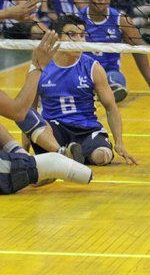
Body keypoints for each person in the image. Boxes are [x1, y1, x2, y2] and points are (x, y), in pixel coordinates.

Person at [25, 15, 135, 166]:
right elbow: (29, 112)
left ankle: (67, 155)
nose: (78, 40)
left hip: (85, 129)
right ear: (57, 38)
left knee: (102, 156)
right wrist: (24, 151)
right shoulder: (41, 67)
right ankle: (65, 152)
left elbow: (111, 108)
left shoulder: (93, 68)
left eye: (82, 35)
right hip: (54, 130)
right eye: (72, 35)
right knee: (40, 129)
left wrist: (119, 143)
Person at [0, 31, 93, 194]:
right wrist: (37, 66)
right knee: (83, 168)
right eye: (72, 34)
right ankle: (49, 159)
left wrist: (11, 13)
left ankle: (38, 155)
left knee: (29, 115)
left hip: (78, 127)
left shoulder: (91, 65)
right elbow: (18, 111)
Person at [79, 0, 150, 102]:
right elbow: (64, 52)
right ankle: (94, 91)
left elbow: (138, 51)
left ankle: (104, 91)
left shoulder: (121, 20)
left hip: (109, 73)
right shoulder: (77, 19)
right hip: (83, 72)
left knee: (116, 80)